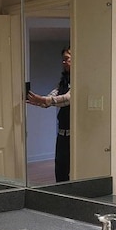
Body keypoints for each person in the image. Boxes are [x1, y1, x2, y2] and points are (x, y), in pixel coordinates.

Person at [26, 48, 72, 182]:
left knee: (72, 170)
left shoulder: (78, 79)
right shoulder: (63, 81)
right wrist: (36, 101)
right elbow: (52, 98)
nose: (64, 62)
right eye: (63, 60)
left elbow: (68, 98)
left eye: (67, 59)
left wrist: (44, 100)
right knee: (60, 169)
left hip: (74, 136)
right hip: (62, 134)